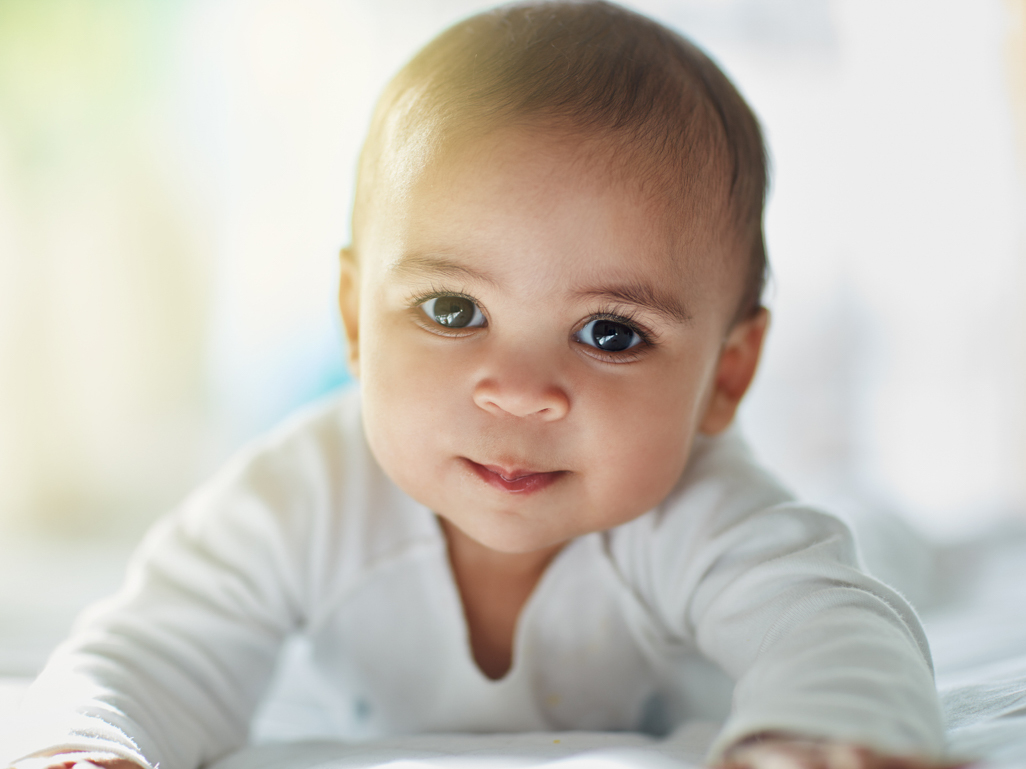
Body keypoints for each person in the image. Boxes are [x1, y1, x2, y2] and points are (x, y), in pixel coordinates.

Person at [2, 3, 954, 768]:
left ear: (727, 374)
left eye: (610, 332)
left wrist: (814, 738)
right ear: (353, 320)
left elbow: (832, 627)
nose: (519, 391)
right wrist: (89, 743)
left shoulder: (705, 510)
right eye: (453, 311)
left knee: (872, 551)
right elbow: (156, 645)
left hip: (820, 546)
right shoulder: (307, 492)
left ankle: (894, 526)